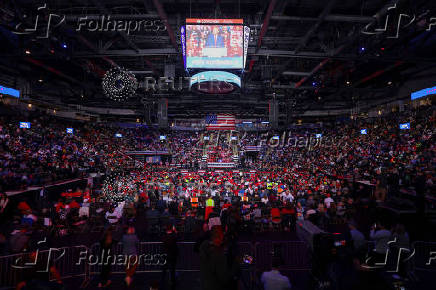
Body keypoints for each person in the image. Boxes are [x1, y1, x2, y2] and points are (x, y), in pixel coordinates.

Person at [162, 225, 178, 290]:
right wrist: (175, 231)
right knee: (172, 269)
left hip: (166, 254)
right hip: (173, 254)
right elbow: (178, 238)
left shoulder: (164, 236)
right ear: (172, 229)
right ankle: (173, 282)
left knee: (165, 268)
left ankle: (163, 280)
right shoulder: (174, 236)